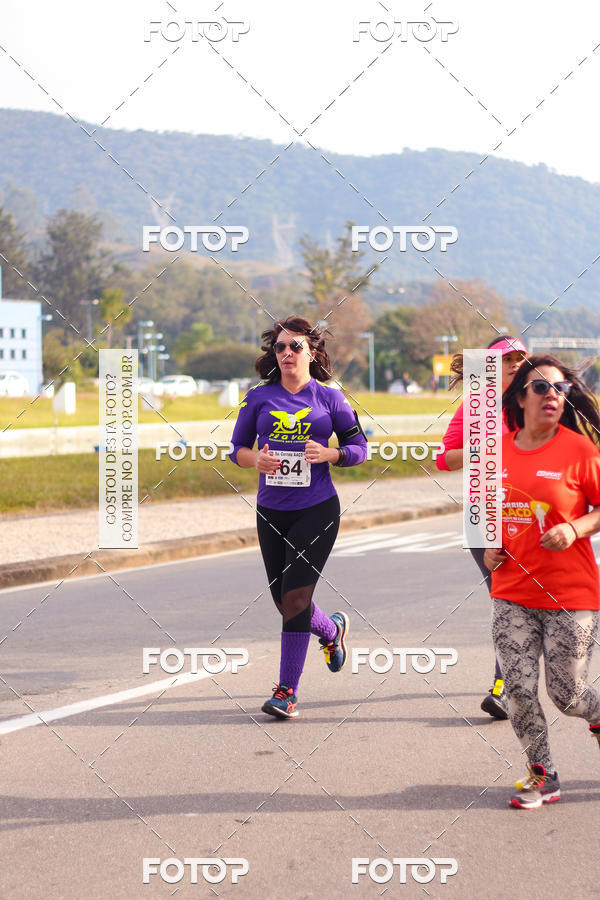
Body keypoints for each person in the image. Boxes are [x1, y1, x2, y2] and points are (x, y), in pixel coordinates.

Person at [229, 316, 367, 719]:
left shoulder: (330, 398)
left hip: (317, 509)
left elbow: (360, 446)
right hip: (271, 510)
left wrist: (333, 454)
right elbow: (236, 448)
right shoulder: (258, 397)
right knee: (282, 600)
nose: (286, 353)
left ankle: (286, 692)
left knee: (295, 598)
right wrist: (256, 459)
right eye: (280, 348)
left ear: (311, 354)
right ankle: (332, 630)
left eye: (295, 347)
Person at [484, 355, 600, 808]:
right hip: (512, 591)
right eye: (541, 388)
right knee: (516, 689)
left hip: (571, 594)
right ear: (520, 397)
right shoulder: (499, 451)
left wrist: (574, 529)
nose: (553, 395)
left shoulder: (580, 451)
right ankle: (542, 775)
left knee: (567, 695)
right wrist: (489, 546)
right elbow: (488, 514)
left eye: (560, 388)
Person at [436, 335, 529, 718]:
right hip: (484, 513)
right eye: (507, 359)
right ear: (489, 366)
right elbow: (444, 459)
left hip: (526, 514)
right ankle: (505, 684)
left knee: (522, 602)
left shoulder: (539, 402)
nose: (515, 365)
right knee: (503, 598)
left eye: (521, 358)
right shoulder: (475, 407)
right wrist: (482, 448)